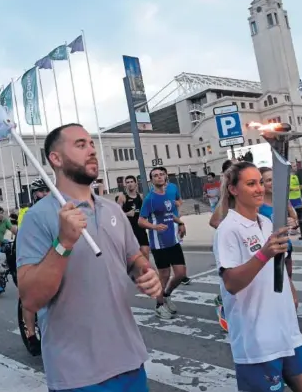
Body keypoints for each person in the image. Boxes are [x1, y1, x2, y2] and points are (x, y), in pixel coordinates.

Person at [16, 123, 160, 392]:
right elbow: (32, 299)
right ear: (55, 159)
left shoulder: (112, 210)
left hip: (130, 360)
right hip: (77, 374)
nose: (92, 150)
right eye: (80, 145)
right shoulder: (37, 218)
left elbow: (133, 259)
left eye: (92, 144)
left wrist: (145, 273)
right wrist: (64, 242)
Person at [214, 161, 302, 392]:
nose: (259, 189)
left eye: (260, 183)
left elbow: (279, 264)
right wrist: (264, 253)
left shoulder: (267, 222)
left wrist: (291, 290)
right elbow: (231, 283)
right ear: (233, 189)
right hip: (257, 341)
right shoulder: (228, 229)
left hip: (288, 333)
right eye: (251, 183)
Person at [259, 166, 302, 372]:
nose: (271, 183)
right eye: (267, 180)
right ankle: (290, 351)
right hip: (270, 257)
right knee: (289, 302)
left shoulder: (282, 199)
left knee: (289, 302)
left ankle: (286, 346)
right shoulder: (257, 205)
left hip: (286, 251)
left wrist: (292, 222)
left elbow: (294, 219)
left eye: (273, 179)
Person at [139, 166, 187, 319]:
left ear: (165, 177)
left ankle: (166, 295)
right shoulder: (150, 199)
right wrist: (154, 226)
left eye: (161, 174)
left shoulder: (169, 193)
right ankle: (159, 305)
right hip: (159, 243)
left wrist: (180, 223)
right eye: (155, 176)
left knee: (180, 274)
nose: (159, 177)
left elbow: (170, 214)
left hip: (173, 240)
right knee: (164, 275)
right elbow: (141, 221)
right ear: (151, 180)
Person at [13, 177, 51, 356]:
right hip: (28, 256)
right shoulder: (26, 212)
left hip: (52, 256)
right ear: (34, 193)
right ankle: (30, 334)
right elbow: (23, 235)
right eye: (40, 191)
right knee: (27, 295)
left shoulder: (56, 209)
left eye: (47, 190)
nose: (44, 194)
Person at [116, 175, 150, 259]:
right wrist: (127, 214)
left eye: (131, 182)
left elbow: (146, 212)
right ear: (125, 185)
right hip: (129, 231)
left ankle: (146, 271)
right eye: (127, 182)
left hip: (140, 229)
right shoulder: (122, 197)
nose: (130, 184)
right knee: (134, 257)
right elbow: (116, 213)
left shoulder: (141, 197)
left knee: (145, 252)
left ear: (136, 183)